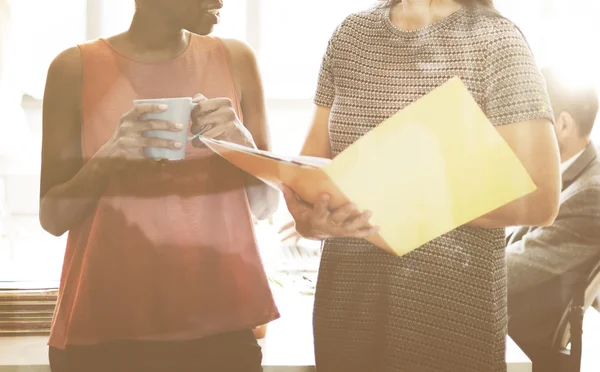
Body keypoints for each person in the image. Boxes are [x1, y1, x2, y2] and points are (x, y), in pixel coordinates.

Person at [282, 0, 561, 371]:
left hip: (449, 317)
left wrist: (403, 200)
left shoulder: (496, 41)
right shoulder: (350, 35)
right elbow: (312, 175)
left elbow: (540, 199)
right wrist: (310, 221)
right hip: (348, 306)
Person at [39, 0, 280, 371]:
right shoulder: (73, 68)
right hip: (104, 332)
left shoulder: (237, 59)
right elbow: (53, 218)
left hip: (223, 331)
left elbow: (266, 206)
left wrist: (243, 145)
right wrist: (110, 157)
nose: (219, 1)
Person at [507, 67, 600, 371]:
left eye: (531, 122)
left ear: (562, 124)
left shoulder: (591, 196)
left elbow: (515, 270)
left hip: (521, 337)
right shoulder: (566, 172)